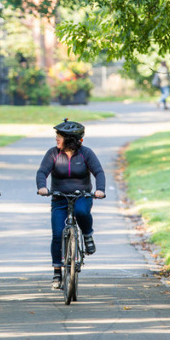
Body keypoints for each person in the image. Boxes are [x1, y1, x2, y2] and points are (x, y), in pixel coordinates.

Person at [36, 119, 106, 289]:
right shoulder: (53, 153)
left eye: (59, 136)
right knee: (57, 234)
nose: (56, 139)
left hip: (82, 196)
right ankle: (57, 272)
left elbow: (98, 172)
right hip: (59, 198)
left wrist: (100, 190)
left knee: (82, 212)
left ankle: (87, 235)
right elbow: (42, 172)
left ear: (69, 138)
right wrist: (42, 187)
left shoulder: (86, 153)